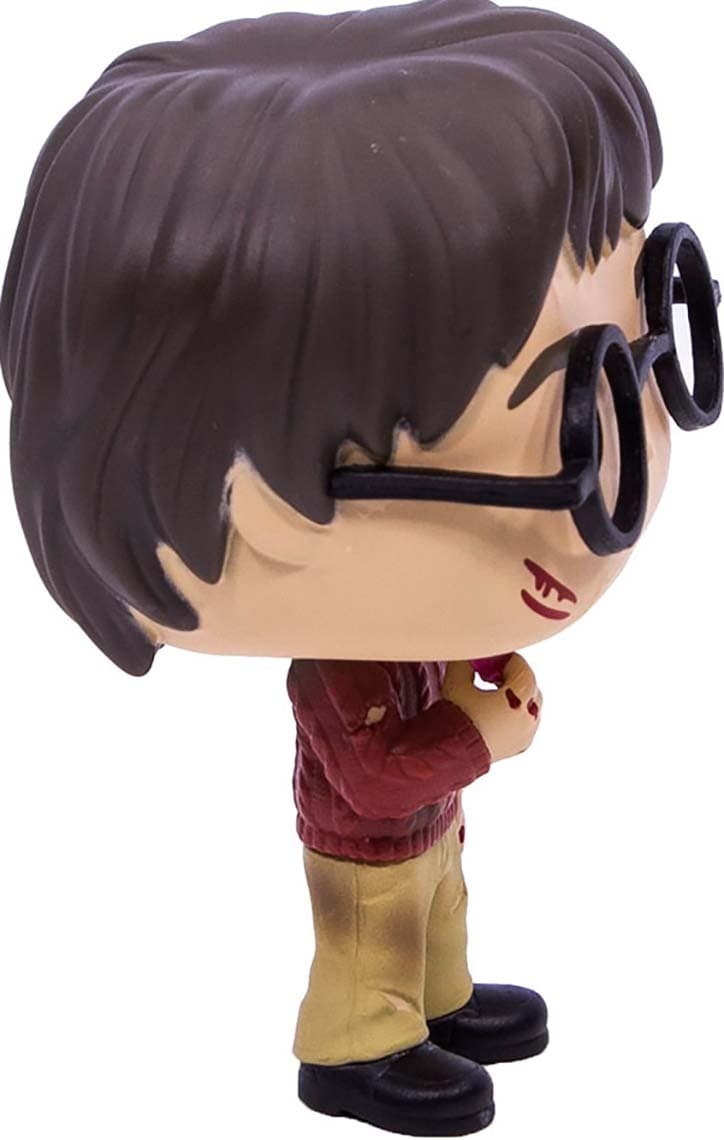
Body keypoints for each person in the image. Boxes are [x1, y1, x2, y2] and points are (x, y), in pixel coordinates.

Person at [1, 1, 721, 1134]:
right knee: (371, 937)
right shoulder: (337, 678)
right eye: (570, 420)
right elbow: (376, 778)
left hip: (426, 832)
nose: (647, 445)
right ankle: (354, 1043)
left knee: (439, 909)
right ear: (274, 510)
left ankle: (439, 998)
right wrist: (479, 735)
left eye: (634, 355)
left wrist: (474, 678)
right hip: (367, 846)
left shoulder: (404, 638)